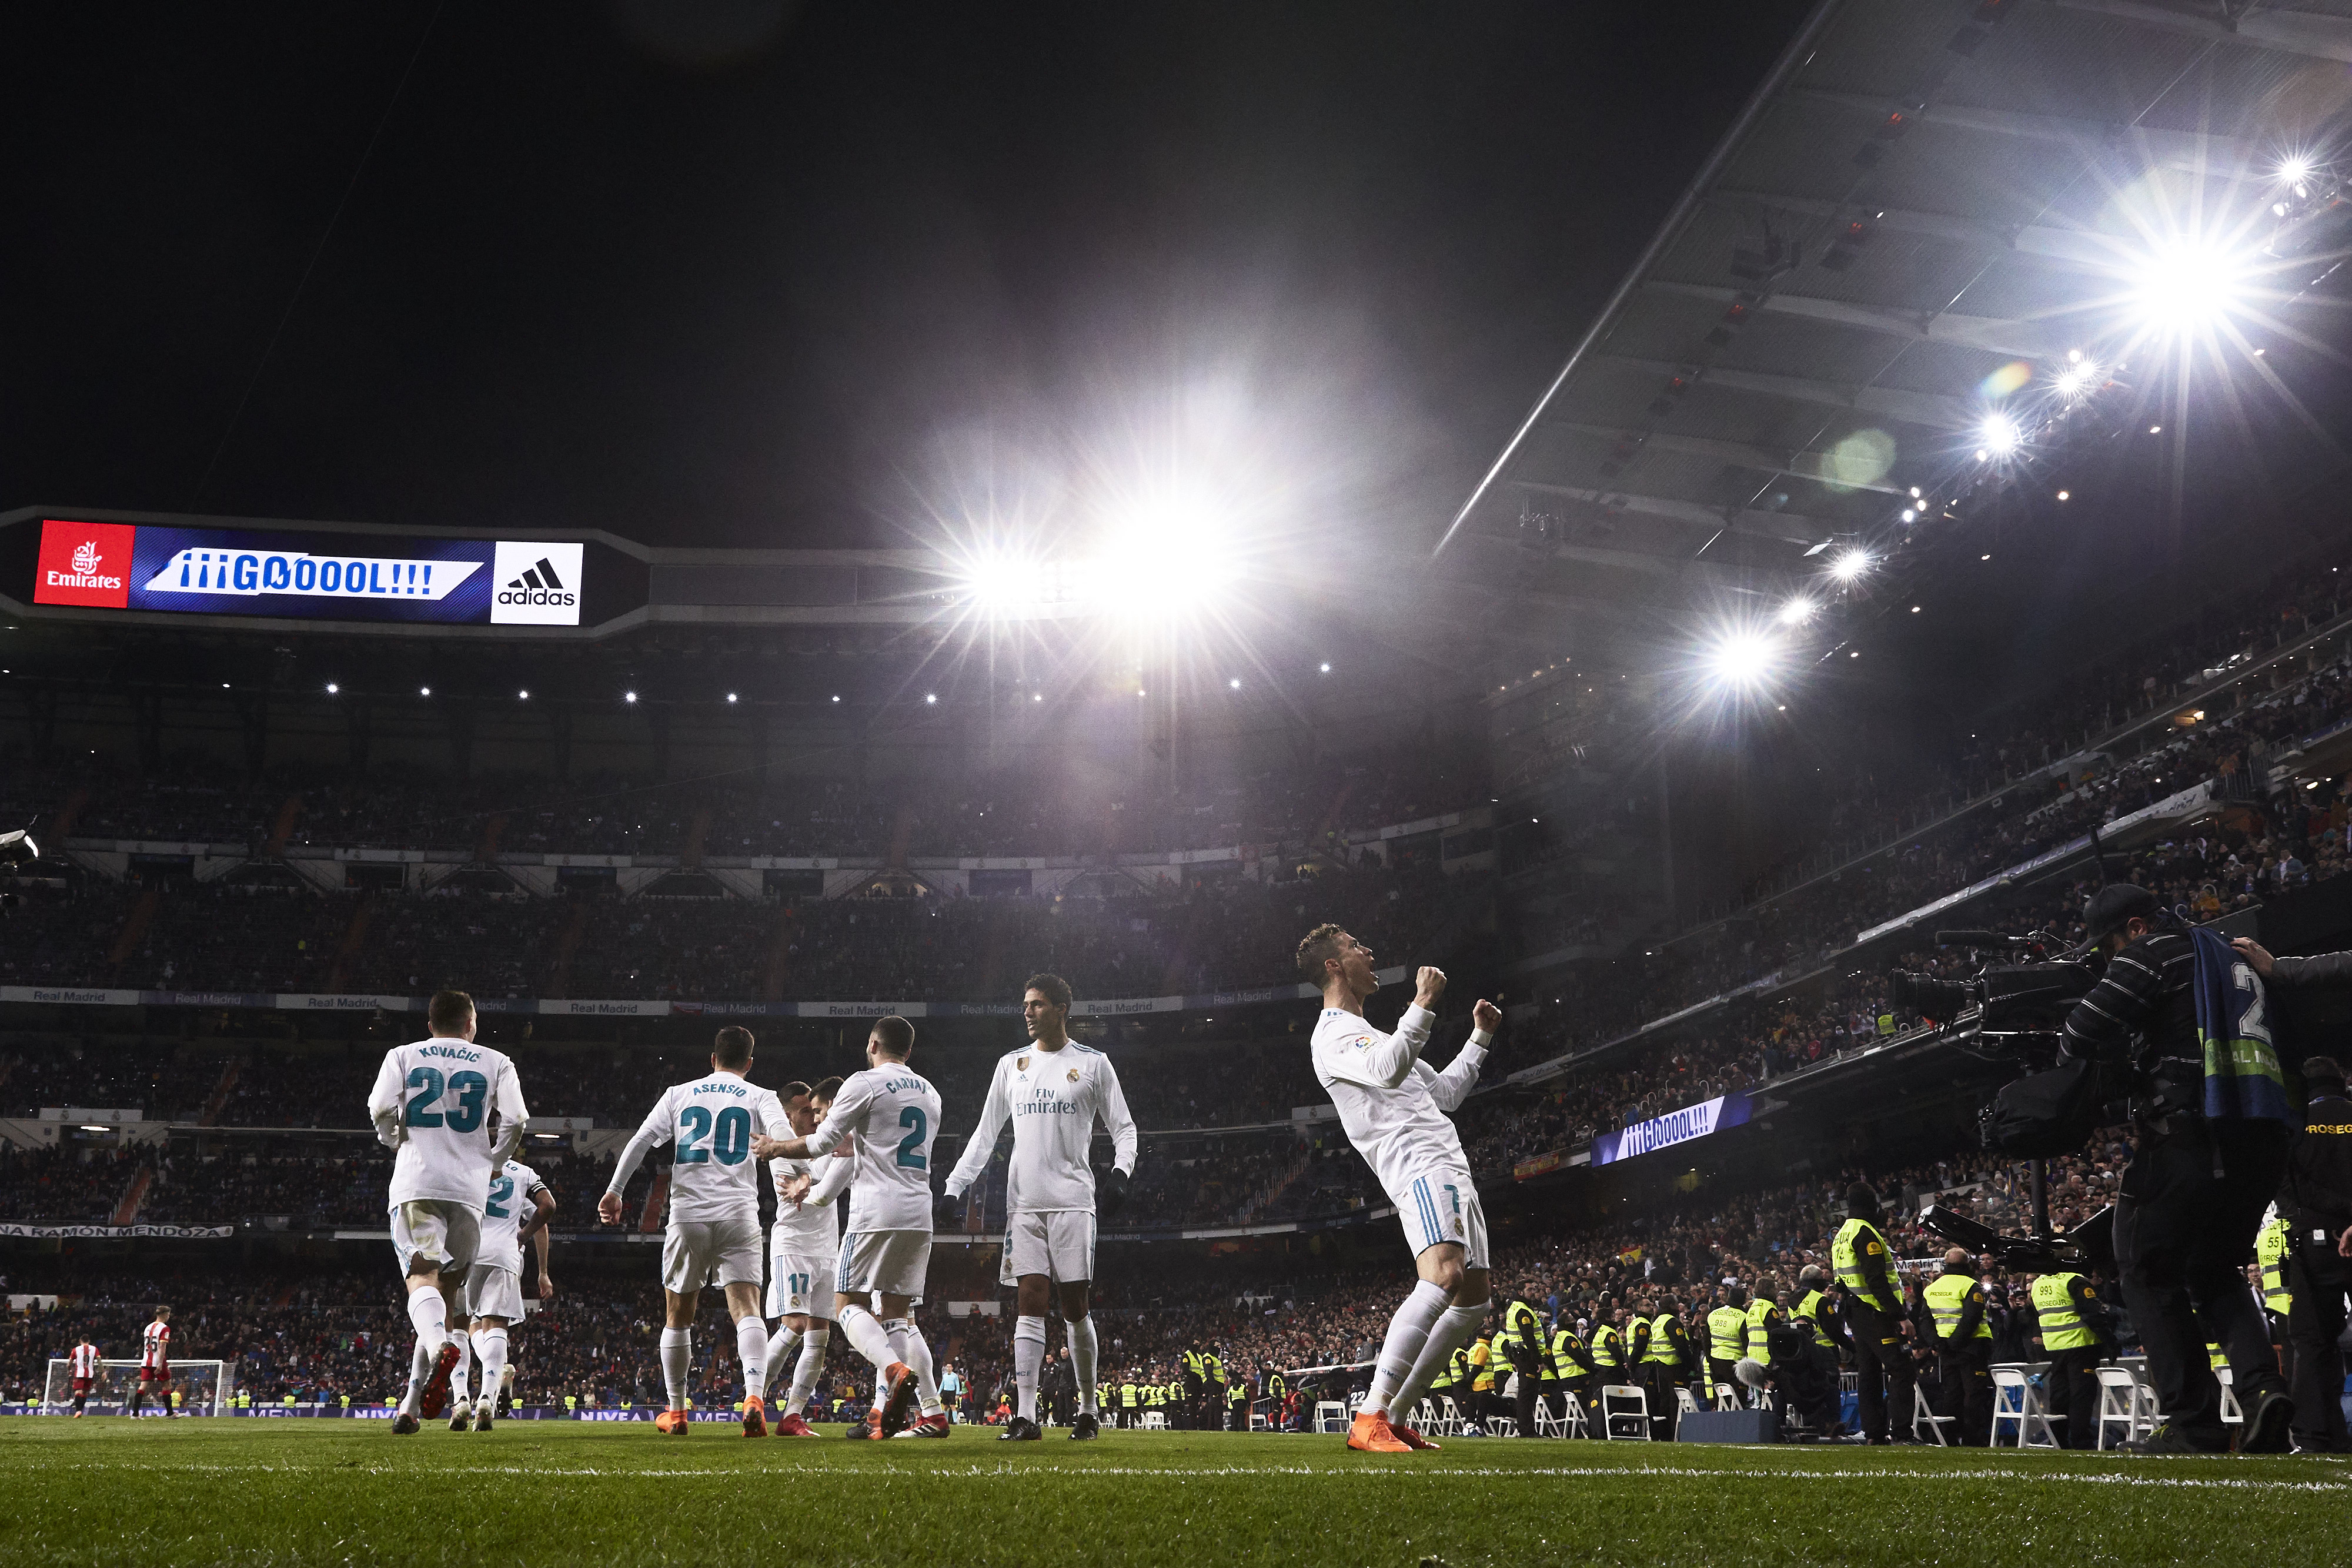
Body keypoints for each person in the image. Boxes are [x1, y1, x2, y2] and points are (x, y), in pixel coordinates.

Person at [2059, 887, 2292, 1453]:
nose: (2108, 959)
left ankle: (2194, 1422)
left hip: (2192, 1132)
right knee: (2213, 1268)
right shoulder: (2226, 950)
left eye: (2109, 946)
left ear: (2135, 927)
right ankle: (2263, 1391)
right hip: (2258, 1132)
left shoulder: (2153, 952)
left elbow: (2079, 1032)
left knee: (2143, 1264)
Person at [1297, 925, 1498, 1453]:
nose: (1369, 950)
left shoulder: (1379, 1035)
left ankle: (1398, 1413)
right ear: (1335, 967)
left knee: (1473, 1299)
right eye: (1355, 946)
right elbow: (1386, 1074)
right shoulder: (1333, 1035)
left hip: (1449, 1161)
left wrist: (1480, 1037)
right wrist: (1424, 1001)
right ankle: (1370, 1414)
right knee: (1446, 1274)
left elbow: (1448, 1093)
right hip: (1418, 1164)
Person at [941, 972, 1139, 1442]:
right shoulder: (1012, 1065)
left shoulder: (1094, 1064)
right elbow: (985, 1134)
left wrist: (1120, 1174)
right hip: (1024, 1204)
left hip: (1073, 1201)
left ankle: (1088, 1410)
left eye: (1037, 1004)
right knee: (1029, 1298)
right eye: (1025, 1004)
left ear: (1062, 1009)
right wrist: (954, 1186)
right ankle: (1025, 1416)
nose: (1027, 1012)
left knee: (1075, 1305)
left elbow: (1125, 1128)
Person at [753, 1014, 946, 1439]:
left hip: (876, 1211)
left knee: (847, 1305)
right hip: (920, 1212)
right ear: (909, 1051)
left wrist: (774, 1146)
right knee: (899, 1316)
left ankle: (892, 1370)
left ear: (873, 1044)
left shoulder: (864, 1082)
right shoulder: (931, 1093)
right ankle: (902, 1413)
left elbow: (825, 1144)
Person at [598, 1025, 790, 1437]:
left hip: (688, 1215)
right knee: (747, 1308)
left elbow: (641, 1140)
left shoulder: (679, 1093)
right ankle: (754, 1396)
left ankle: (677, 1411)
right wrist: (796, 1176)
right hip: (740, 1213)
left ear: (712, 1058)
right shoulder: (761, 1096)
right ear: (749, 1063)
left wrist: (615, 1191)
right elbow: (785, 1139)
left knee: (678, 1314)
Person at [367, 990, 529, 1436]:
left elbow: (380, 1107)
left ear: (430, 1022)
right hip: (469, 1192)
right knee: (449, 1299)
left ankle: (438, 1353)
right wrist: (493, 1162)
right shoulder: (496, 1061)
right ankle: (411, 1404)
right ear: (471, 1024)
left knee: (423, 1286)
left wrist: (392, 1137)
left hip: (417, 1182)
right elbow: (516, 1119)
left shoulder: (401, 1055)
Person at [763, 1077, 849, 1437]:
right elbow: (798, 1190)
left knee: (819, 1336)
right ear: (786, 1115)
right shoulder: (780, 1149)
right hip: (794, 1246)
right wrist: (824, 1170)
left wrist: (817, 1176)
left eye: (815, 1111)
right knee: (794, 1325)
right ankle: (754, 1395)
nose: (813, 1119)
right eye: (804, 1111)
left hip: (828, 1247)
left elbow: (820, 1183)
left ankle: (793, 1415)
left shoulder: (822, 1142)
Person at [452, 1151, 554, 1432]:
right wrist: (542, 1271)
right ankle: (487, 1398)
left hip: (465, 1251)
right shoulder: (523, 1173)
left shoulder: (466, 1163)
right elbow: (545, 1213)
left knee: (464, 1326)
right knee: (495, 1326)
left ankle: (461, 1398)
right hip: (504, 1255)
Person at [1833, 1184, 1917, 1445]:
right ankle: (1902, 1434)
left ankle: (1874, 1434)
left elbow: (1840, 1282)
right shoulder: (1865, 1233)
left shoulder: (1841, 1235)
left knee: (1868, 1374)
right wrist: (1900, 1316)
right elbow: (1876, 1280)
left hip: (1855, 1312)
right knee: (1902, 1368)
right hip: (1876, 1313)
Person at [2028, 1266, 2112, 1450]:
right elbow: (2093, 1313)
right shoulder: (2074, 1281)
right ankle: (2081, 1443)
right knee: (2081, 1397)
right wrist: (2110, 1341)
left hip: (2055, 1347)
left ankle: (2058, 1440)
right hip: (2081, 1344)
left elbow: (2037, 1315)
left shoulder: (2038, 1284)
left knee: (2059, 1396)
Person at [1923, 1249, 1993, 1446]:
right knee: (1974, 1394)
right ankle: (1973, 1439)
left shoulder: (1932, 1288)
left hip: (1946, 1350)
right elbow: (1971, 1319)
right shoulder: (1972, 1286)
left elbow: (1924, 1320)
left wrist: (1938, 1343)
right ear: (1967, 1264)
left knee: (1952, 1394)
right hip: (1972, 1347)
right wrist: (1954, 1344)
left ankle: (1949, 1438)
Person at [1706, 1285, 1749, 1405]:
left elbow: (1706, 1341)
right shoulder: (1743, 1317)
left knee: (1721, 1401)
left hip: (1716, 1362)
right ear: (1743, 1300)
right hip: (1736, 1364)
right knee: (1737, 1402)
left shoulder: (1714, 1314)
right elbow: (1747, 1344)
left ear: (1729, 1297)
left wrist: (1710, 1361)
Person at [129, 1308, 173, 1418]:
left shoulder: (148, 1327)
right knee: (167, 1385)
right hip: (158, 1361)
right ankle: (170, 1413)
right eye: (168, 1314)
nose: (169, 1316)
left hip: (147, 1361)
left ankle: (135, 1414)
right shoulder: (165, 1328)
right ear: (164, 1314)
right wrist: (160, 1363)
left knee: (143, 1386)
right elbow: (162, 1347)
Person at [67, 1336, 99, 1417]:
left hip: (79, 1374)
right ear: (89, 1341)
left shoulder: (76, 1349)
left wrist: (69, 1369)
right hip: (90, 1374)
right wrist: (103, 1372)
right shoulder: (95, 1349)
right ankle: (80, 1410)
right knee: (85, 1393)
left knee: (78, 1392)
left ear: (80, 1340)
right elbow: (99, 1361)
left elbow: (70, 1362)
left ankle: (78, 1411)